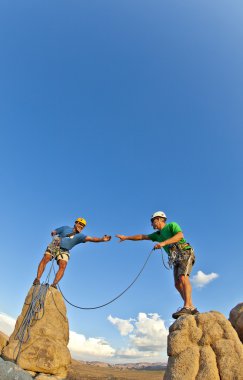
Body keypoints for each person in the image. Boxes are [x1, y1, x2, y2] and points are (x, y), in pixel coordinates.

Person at [116, 211, 198, 319]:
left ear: (159, 219)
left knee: (183, 277)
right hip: (175, 258)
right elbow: (142, 237)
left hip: (184, 252)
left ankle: (187, 306)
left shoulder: (172, 225)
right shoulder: (157, 235)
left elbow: (179, 235)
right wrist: (126, 237)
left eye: (152, 221)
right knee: (177, 284)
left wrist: (163, 243)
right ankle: (191, 307)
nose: (151, 224)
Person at [33, 217, 111, 288]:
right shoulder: (65, 228)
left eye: (83, 225)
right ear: (75, 223)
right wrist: (54, 233)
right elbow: (55, 231)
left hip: (65, 250)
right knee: (46, 258)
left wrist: (101, 239)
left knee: (63, 265)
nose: (81, 226)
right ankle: (37, 279)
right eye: (80, 223)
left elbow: (92, 238)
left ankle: (54, 284)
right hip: (55, 244)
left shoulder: (81, 236)